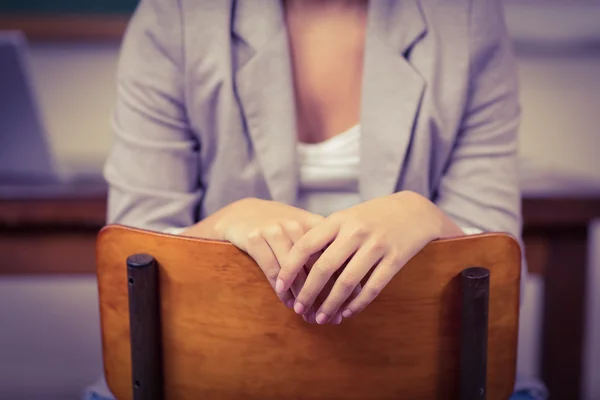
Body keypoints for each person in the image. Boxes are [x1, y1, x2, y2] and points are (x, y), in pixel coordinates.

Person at [84, 0, 547, 399]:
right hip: (223, 368)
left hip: (409, 373)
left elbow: (498, 258)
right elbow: (132, 253)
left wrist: (425, 218)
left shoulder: (465, 17)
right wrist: (225, 224)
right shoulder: (176, 16)